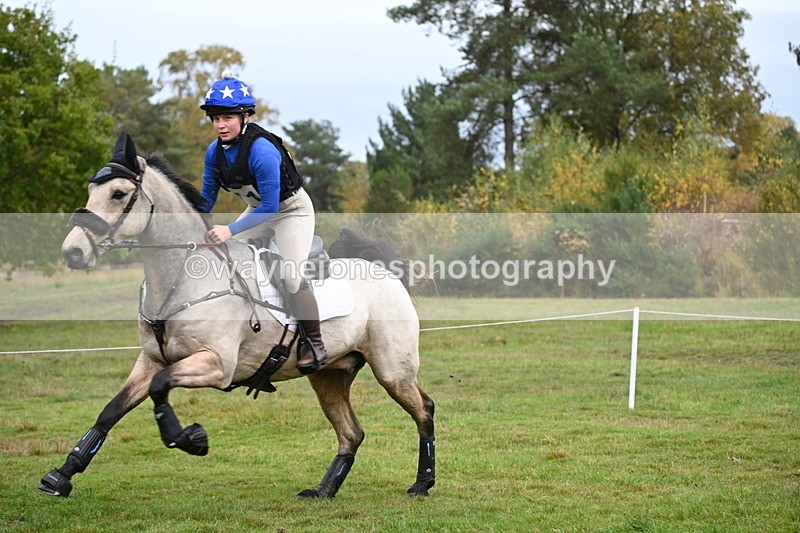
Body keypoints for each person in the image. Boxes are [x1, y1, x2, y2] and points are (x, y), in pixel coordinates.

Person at [198, 72, 327, 374]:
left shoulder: (262, 150)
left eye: (227, 117)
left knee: (292, 276)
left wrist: (229, 229)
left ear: (244, 117)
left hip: (291, 211)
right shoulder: (214, 153)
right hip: (258, 210)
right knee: (225, 257)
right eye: (215, 118)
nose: (220, 124)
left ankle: (315, 343)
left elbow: (271, 206)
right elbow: (205, 201)